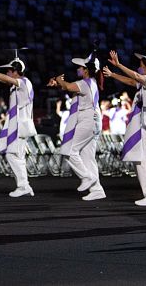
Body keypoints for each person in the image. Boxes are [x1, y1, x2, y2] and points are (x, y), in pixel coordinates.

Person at [103, 50, 146, 206]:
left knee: (143, 159)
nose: (138, 68)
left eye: (141, 65)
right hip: (144, 124)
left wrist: (118, 65)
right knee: (139, 158)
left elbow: (135, 76)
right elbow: (131, 81)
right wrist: (113, 74)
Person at [49, 51, 106, 201]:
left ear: (86, 70)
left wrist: (58, 80)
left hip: (88, 119)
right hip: (92, 119)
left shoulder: (85, 83)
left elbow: (68, 87)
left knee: (70, 151)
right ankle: (97, 190)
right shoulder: (90, 83)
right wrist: (58, 84)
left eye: (80, 67)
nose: (77, 69)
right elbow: (69, 87)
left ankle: (86, 177)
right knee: (88, 157)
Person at [0, 55, 36, 198]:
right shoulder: (17, 85)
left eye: (9, 70)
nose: (7, 73)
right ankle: (25, 186)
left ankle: (23, 186)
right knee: (18, 156)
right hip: (18, 125)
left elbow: (7, 79)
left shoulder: (24, 82)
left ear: (15, 71)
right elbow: (5, 80)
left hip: (20, 126)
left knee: (11, 155)